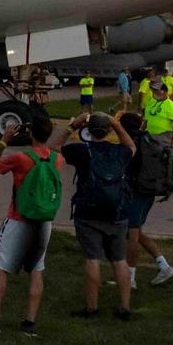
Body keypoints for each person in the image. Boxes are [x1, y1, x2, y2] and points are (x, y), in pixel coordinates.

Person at [0, 114, 61, 335]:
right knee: (37, 269)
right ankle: (30, 323)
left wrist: (4, 139)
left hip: (19, 218)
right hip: (44, 220)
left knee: (1, 267)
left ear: (31, 133)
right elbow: (53, 149)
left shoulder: (21, 158)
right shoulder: (56, 158)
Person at [60, 111, 137, 320]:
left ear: (88, 130)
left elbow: (51, 148)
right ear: (108, 130)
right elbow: (132, 146)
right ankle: (125, 307)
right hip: (116, 212)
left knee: (92, 258)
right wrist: (116, 123)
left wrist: (72, 126)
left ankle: (92, 307)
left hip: (88, 211)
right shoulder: (120, 152)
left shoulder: (82, 151)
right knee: (120, 260)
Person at [119, 110, 173, 286]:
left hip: (136, 192)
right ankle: (164, 266)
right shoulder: (148, 139)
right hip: (149, 190)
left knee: (131, 235)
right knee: (137, 232)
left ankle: (130, 278)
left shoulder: (132, 144)